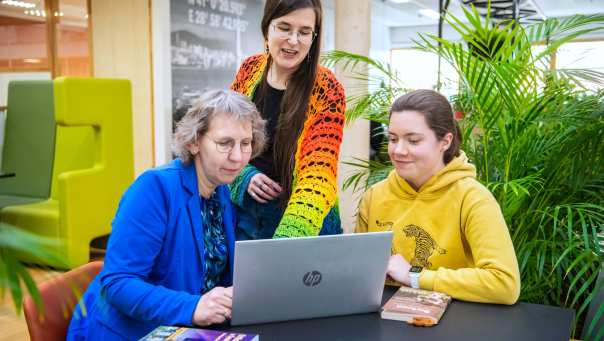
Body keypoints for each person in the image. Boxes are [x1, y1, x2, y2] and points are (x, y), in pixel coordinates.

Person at [66, 89, 266, 340]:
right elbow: (118, 282)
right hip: (131, 331)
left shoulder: (221, 191)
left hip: (188, 329)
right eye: (224, 143)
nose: (238, 157)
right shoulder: (154, 188)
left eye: (245, 143)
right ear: (194, 142)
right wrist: (193, 307)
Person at [356, 89, 521, 305]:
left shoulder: (473, 198)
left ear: (445, 141)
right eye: (393, 139)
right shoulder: (374, 195)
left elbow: (504, 284)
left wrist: (415, 276)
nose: (398, 150)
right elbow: (358, 270)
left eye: (413, 141)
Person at [230, 0, 346, 239]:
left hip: (305, 223)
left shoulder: (326, 88)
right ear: (267, 28)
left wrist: (287, 243)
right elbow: (226, 139)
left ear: (314, 36)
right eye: (284, 28)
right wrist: (244, 176)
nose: (294, 41)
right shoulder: (249, 70)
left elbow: (318, 175)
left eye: (304, 32)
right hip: (247, 216)